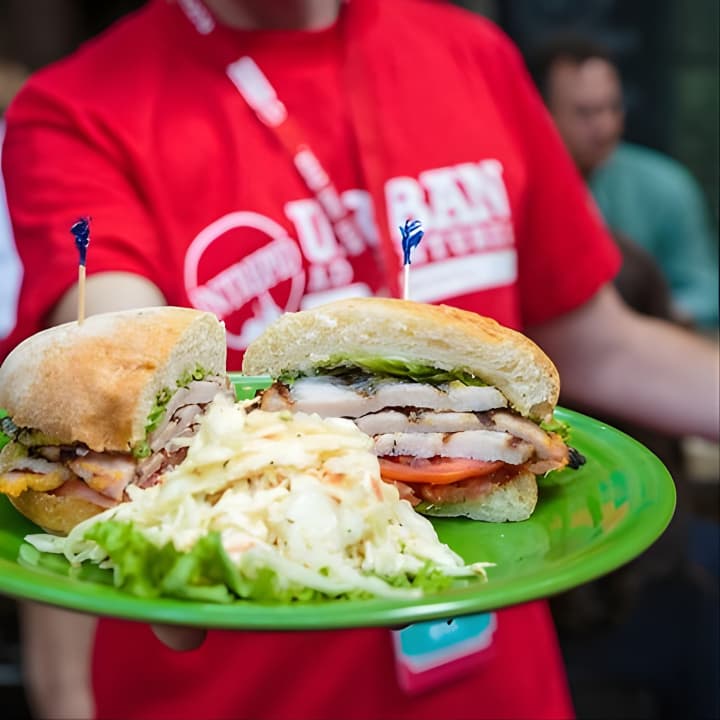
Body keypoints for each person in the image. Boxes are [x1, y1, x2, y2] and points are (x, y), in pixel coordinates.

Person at [1, 2, 718, 719]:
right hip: (226, 688)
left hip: (497, 675)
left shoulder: (475, 54)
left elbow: (599, 340)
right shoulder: (76, 107)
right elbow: (112, 374)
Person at [525, 34, 719, 330]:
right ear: (541, 113)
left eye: (613, 107)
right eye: (586, 112)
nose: (605, 125)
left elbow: (705, 292)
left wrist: (645, 322)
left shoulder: (666, 185)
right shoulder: (515, 191)